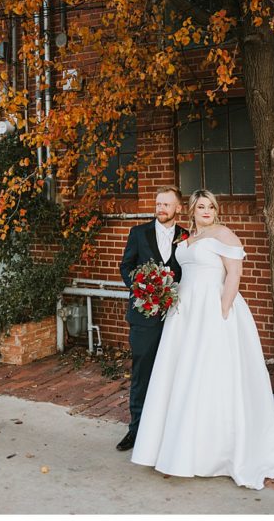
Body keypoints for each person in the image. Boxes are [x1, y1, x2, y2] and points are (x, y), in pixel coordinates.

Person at [131, 189, 274, 489]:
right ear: (192, 210)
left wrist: (222, 310)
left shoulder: (224, 234)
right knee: (180, 374)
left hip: (212, 310)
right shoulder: (186, 239)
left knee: (209, 374)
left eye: (211, 206)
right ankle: (176, 442)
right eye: (201, 206)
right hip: (183, 314)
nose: (207, 211)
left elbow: (234, 274)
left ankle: (211, 449)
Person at [116, 185, 187, 452]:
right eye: (158, 204)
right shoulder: (138, 233)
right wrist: (143, 289)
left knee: (174, 374)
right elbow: (126, 267)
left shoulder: (187, 237)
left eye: (167, 204)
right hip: (144, 318)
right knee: (142, 373)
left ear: (178, 208)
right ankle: (136, 431)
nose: (161, 208)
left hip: (177, 319)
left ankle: (167, 432)